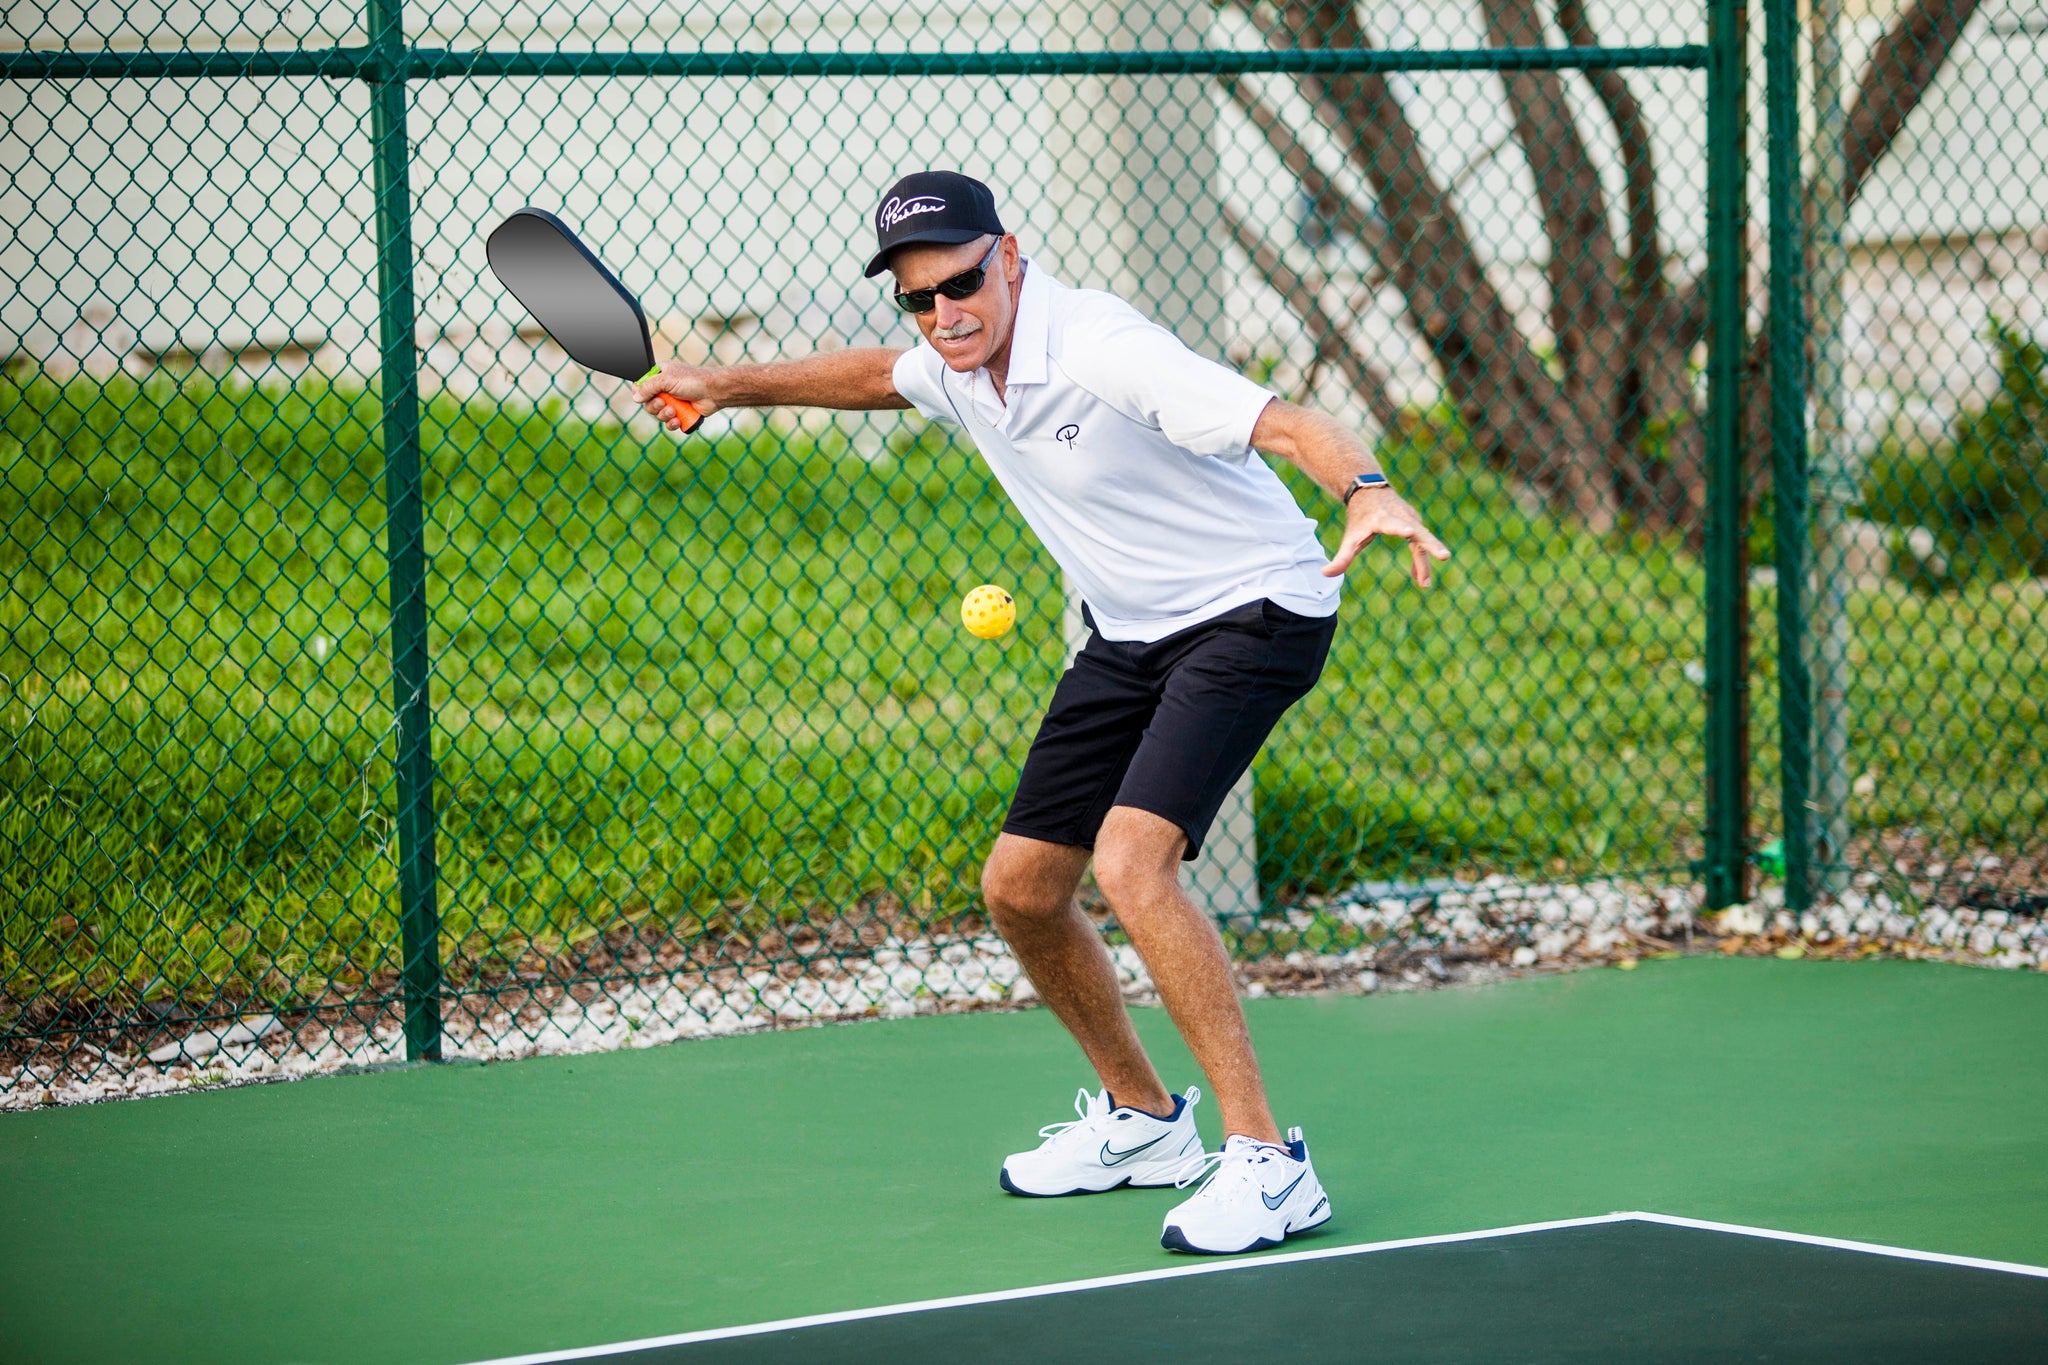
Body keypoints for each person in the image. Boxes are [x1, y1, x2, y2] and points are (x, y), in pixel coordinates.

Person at [637, 170, 1450, 1255]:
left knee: (1130, 864)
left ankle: (1267, 1164)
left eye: (961, 284)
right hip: (1127, 627)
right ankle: (1147, 1122)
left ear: (1009, 256)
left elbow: (1287, 422)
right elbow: (885, 378)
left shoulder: (1104, 351)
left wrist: (1366, 491)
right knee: (1020, 891)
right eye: (918, 298)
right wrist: (728, 385)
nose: (943, 314)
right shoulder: (957, 356)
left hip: (1254, 606)